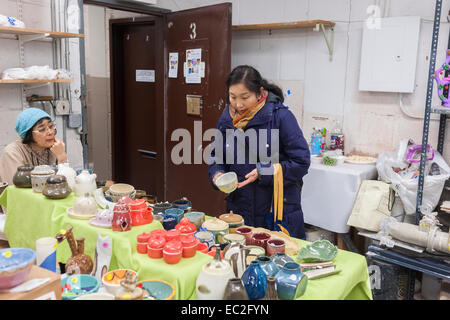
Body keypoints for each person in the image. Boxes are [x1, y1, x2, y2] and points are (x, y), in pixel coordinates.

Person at [208, 65, 310, 239]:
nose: (238, 104)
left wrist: (265, 171)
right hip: (240, 206)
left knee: (277, 259)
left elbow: (301, 162)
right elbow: (216, 155)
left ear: (259, 92)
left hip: (276, 210)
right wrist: (217, 173)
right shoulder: (227, 119)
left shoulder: (281, 117)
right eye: (232, 97)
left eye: (244, 97)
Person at [0, 107, 68, 185]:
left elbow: (68, 182)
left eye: (51, 126)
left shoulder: (55, 148)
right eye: (42, 129)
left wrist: (62, 157)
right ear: (28, 134)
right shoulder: (12, 152)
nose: (50, 132)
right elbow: (16, 189)